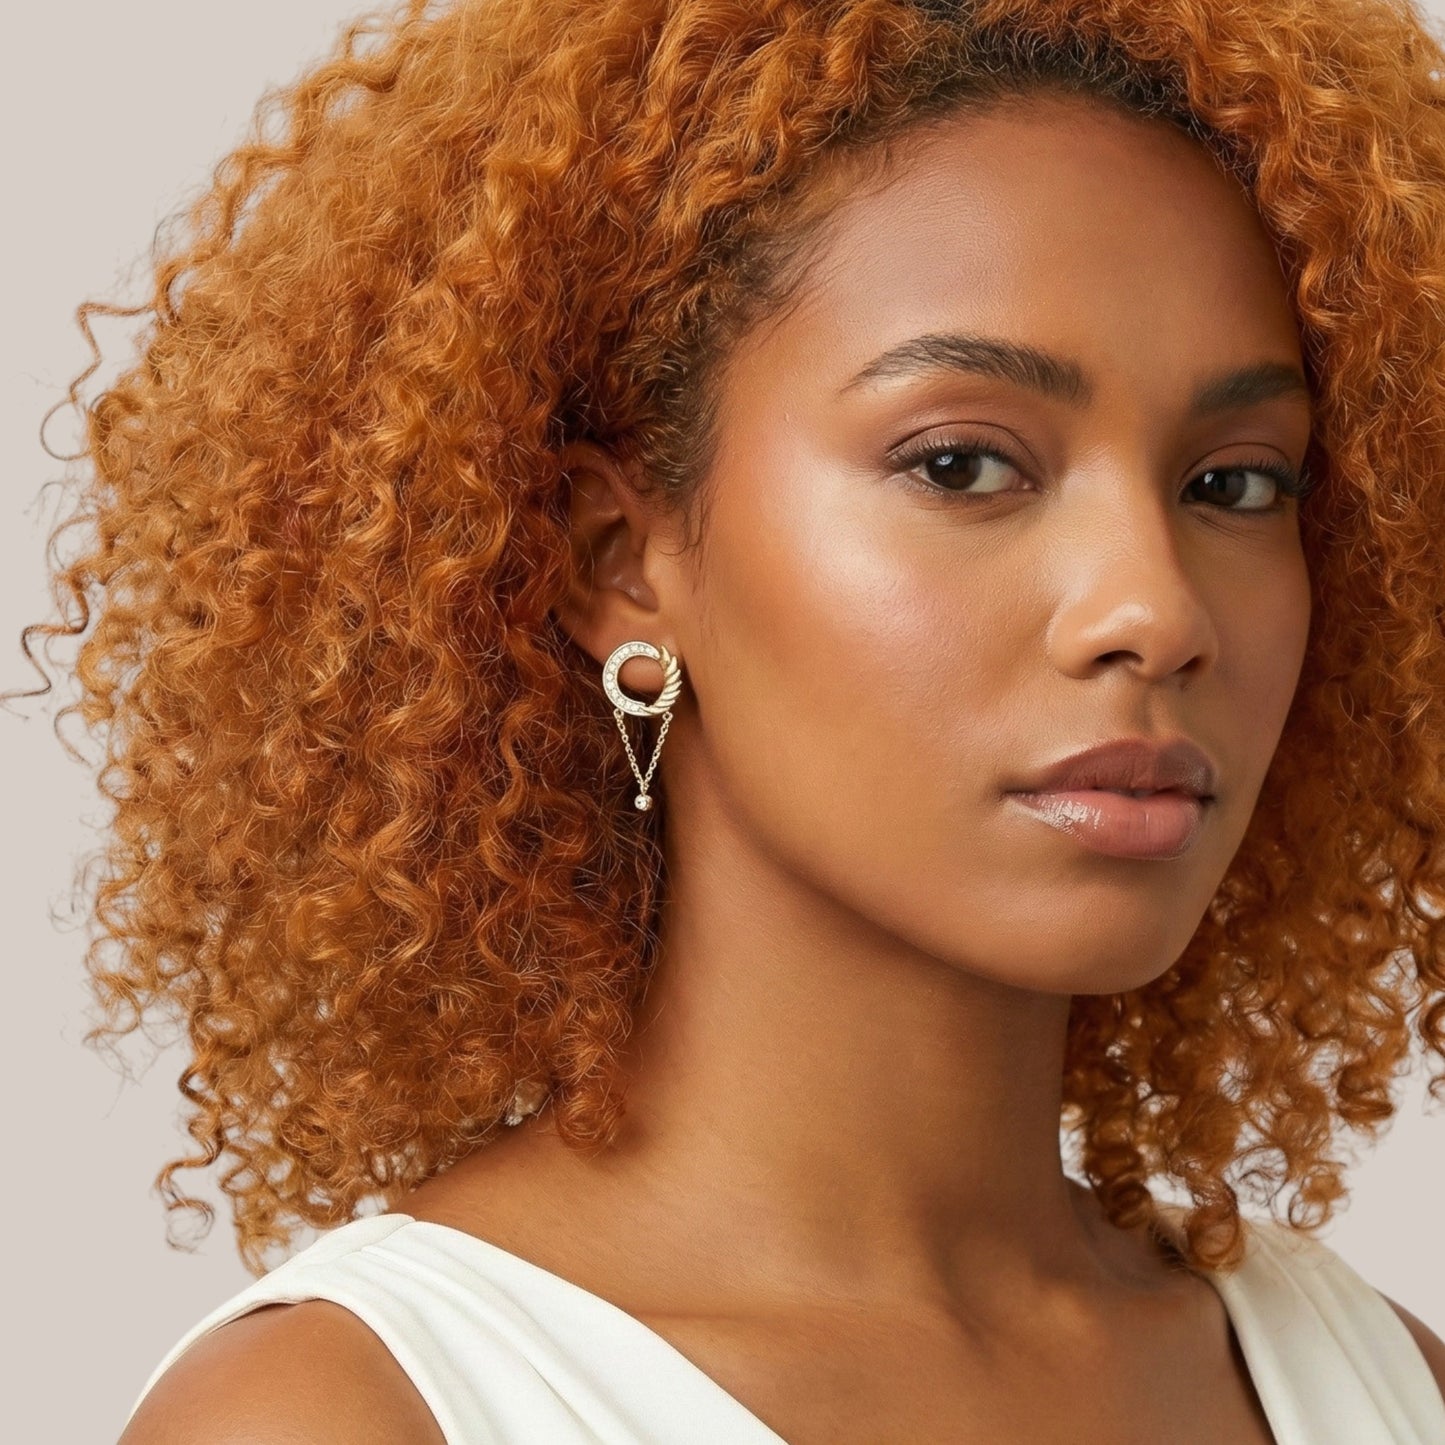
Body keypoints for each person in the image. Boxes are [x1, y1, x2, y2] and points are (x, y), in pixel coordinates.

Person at [13, 0, 1445, 1439]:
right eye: (962, 463)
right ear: (616, 561)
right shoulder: (355, 1414)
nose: (1154, 608)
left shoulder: (1379, 1381)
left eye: (1236, 484)